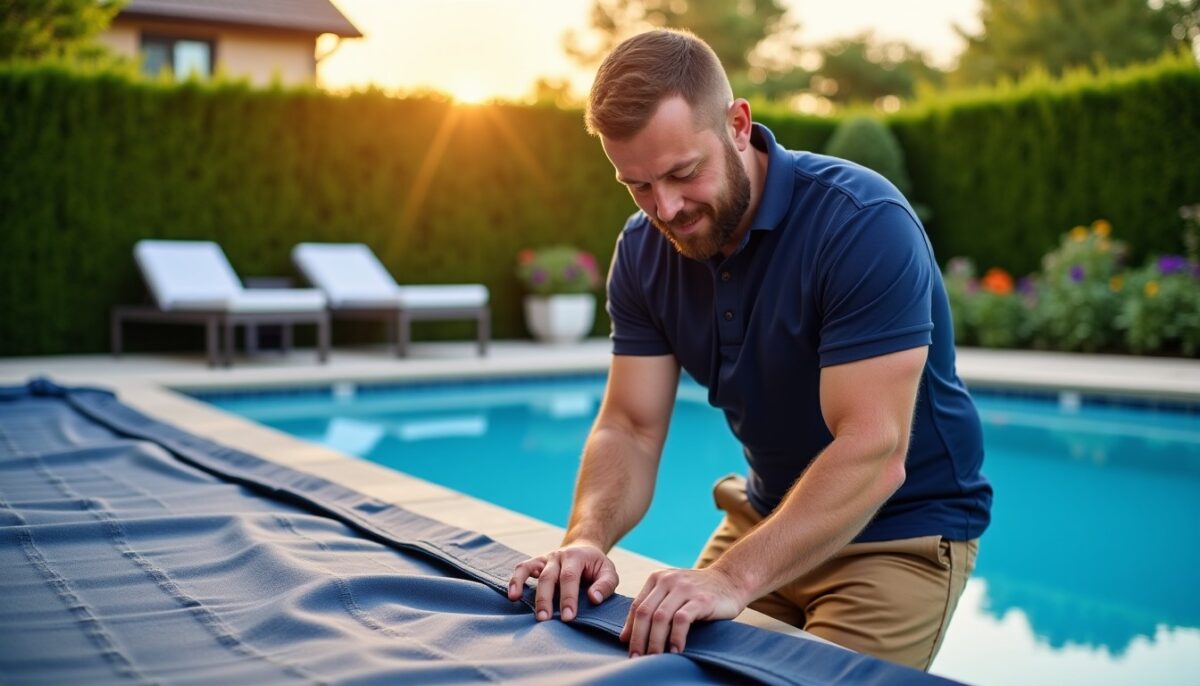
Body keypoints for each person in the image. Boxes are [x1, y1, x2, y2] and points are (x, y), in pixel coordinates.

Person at [507, 28, 992, 670]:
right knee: (648, 672)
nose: (668, 208)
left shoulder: (861, 224)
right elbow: (629, 424)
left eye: (683, 173)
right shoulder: (643, 250)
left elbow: (872, 451)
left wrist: (730, 581)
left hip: (897, 534)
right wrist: (585, 540)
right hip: (760, 518)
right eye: (639, 186)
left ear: (738, 124)